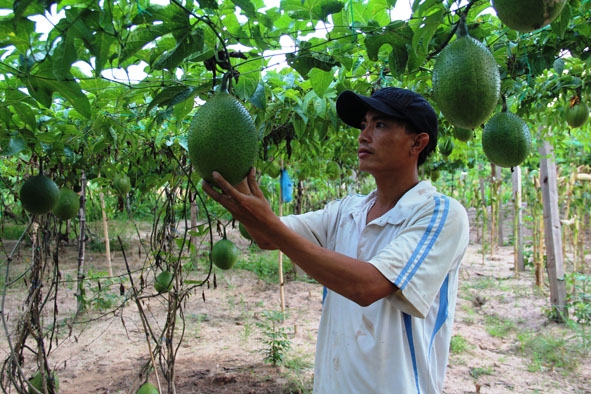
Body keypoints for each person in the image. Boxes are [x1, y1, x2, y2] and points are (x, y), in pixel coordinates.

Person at [202, 87, 470, 394]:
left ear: (417, 142)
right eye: (363, 125)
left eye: (379, 125)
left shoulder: (440, 214)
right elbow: (266, 235)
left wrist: (269, 224)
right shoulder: (347, 211)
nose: (364, 135)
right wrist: (231, 178)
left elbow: (367, 286)